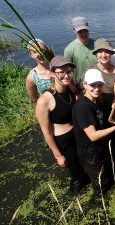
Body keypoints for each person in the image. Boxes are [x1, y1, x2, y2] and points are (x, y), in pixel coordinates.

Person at [35, 55, 89, 194]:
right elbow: (46, 131)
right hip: (63, 140)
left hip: (77, 133)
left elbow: (78, 96)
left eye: (69, 71)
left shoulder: (70, 88)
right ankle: (76, 189)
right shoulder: (45, 101)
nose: (66, 75)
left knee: (84, 163)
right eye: (61, 72)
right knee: (76, 174)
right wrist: (58, 155)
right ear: (52, 73)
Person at [72, 68, 115, 197]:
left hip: (98, 150)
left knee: (104, 174)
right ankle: (100, 199)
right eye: (92, 85)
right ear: (84, 85)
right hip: (90, 154)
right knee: (100, 182)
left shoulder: (94, 101)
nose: (97, 88)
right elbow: (93, 136)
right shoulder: (83, 107)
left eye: (99, 85)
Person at [90, 38, 115, 125]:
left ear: (111, 53)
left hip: (114, 111)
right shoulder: (91, 70)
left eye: (107, 51)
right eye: (100, 52)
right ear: (96, 54)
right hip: (97, 113)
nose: (103, 55)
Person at [64, 16, 97, 83]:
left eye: (85, 30)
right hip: (80, 85)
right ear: (74, 30)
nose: (84, 34)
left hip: (98, 84)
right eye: (80, 31)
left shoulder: (97, 45)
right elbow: (67, 73)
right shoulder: (69, 50)